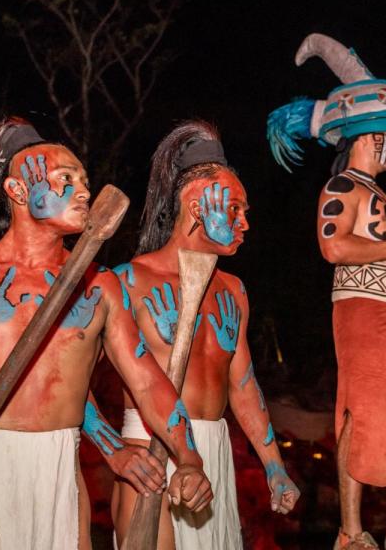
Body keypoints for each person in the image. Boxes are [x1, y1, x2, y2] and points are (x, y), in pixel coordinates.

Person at [0, 118, 211, 550]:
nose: (84, 190)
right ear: (16, 191)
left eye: (85, 179)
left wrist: (189, 457)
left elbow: (148, 382)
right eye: (65, 179)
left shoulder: (101, 287)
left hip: (57, 474)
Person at [269, 33, 386, 550]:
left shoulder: (383, 196)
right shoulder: (342, 187)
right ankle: (349, 531)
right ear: (369, 137)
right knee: (362, 412)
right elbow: (334, 249)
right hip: (363, 310)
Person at [109, 120, 299, 550]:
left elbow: (243, 385)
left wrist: (274, 466)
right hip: (149, 448)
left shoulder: (234, 291)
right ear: (197, 206)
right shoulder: (127, 282)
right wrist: (114, 450)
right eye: (235, 208)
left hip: (214, 450)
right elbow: (69, 377)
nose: (245, 222)